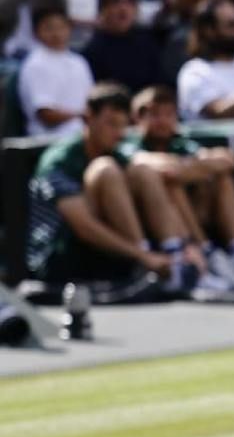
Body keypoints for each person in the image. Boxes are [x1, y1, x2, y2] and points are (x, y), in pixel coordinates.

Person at [24, 83, 202, 294]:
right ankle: (145, 265)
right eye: (111, 124)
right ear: (88, 118)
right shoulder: (58, 162)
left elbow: (156, 167)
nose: (119, 133)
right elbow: (85, 227)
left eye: (123, 126)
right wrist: (143, 256)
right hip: (58, 258)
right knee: (106, 169)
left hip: (109, 256)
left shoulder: (118, 150)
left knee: (143, 171)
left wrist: (189, 244)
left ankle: (177, 259)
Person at [122, 84, 234, 288]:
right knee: (172, 183)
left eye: (169, 114)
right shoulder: (129, 144)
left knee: (222, 176)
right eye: (155, 115)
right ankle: (204, 253)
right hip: (153, 223)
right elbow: (162, 169)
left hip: (196, 214)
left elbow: (227, 160)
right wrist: (193, 168)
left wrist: (187, 168)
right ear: (138, 118)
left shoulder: (180, 142)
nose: (163, 121)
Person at [19, 0, 95, 138]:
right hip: (47, 141)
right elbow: (45, 114)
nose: (57, 33)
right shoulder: (35, 64)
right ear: (36, 32)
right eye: (49, 28)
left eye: (61, 27)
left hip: (84, 136)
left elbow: (92, 102)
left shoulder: (79, 62)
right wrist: (81, 115)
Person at [81, 0, 163, 92]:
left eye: (129, 2)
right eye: (116, 2)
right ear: (103, 9)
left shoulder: (147, 43)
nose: (123, 9)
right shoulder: (92, 51)